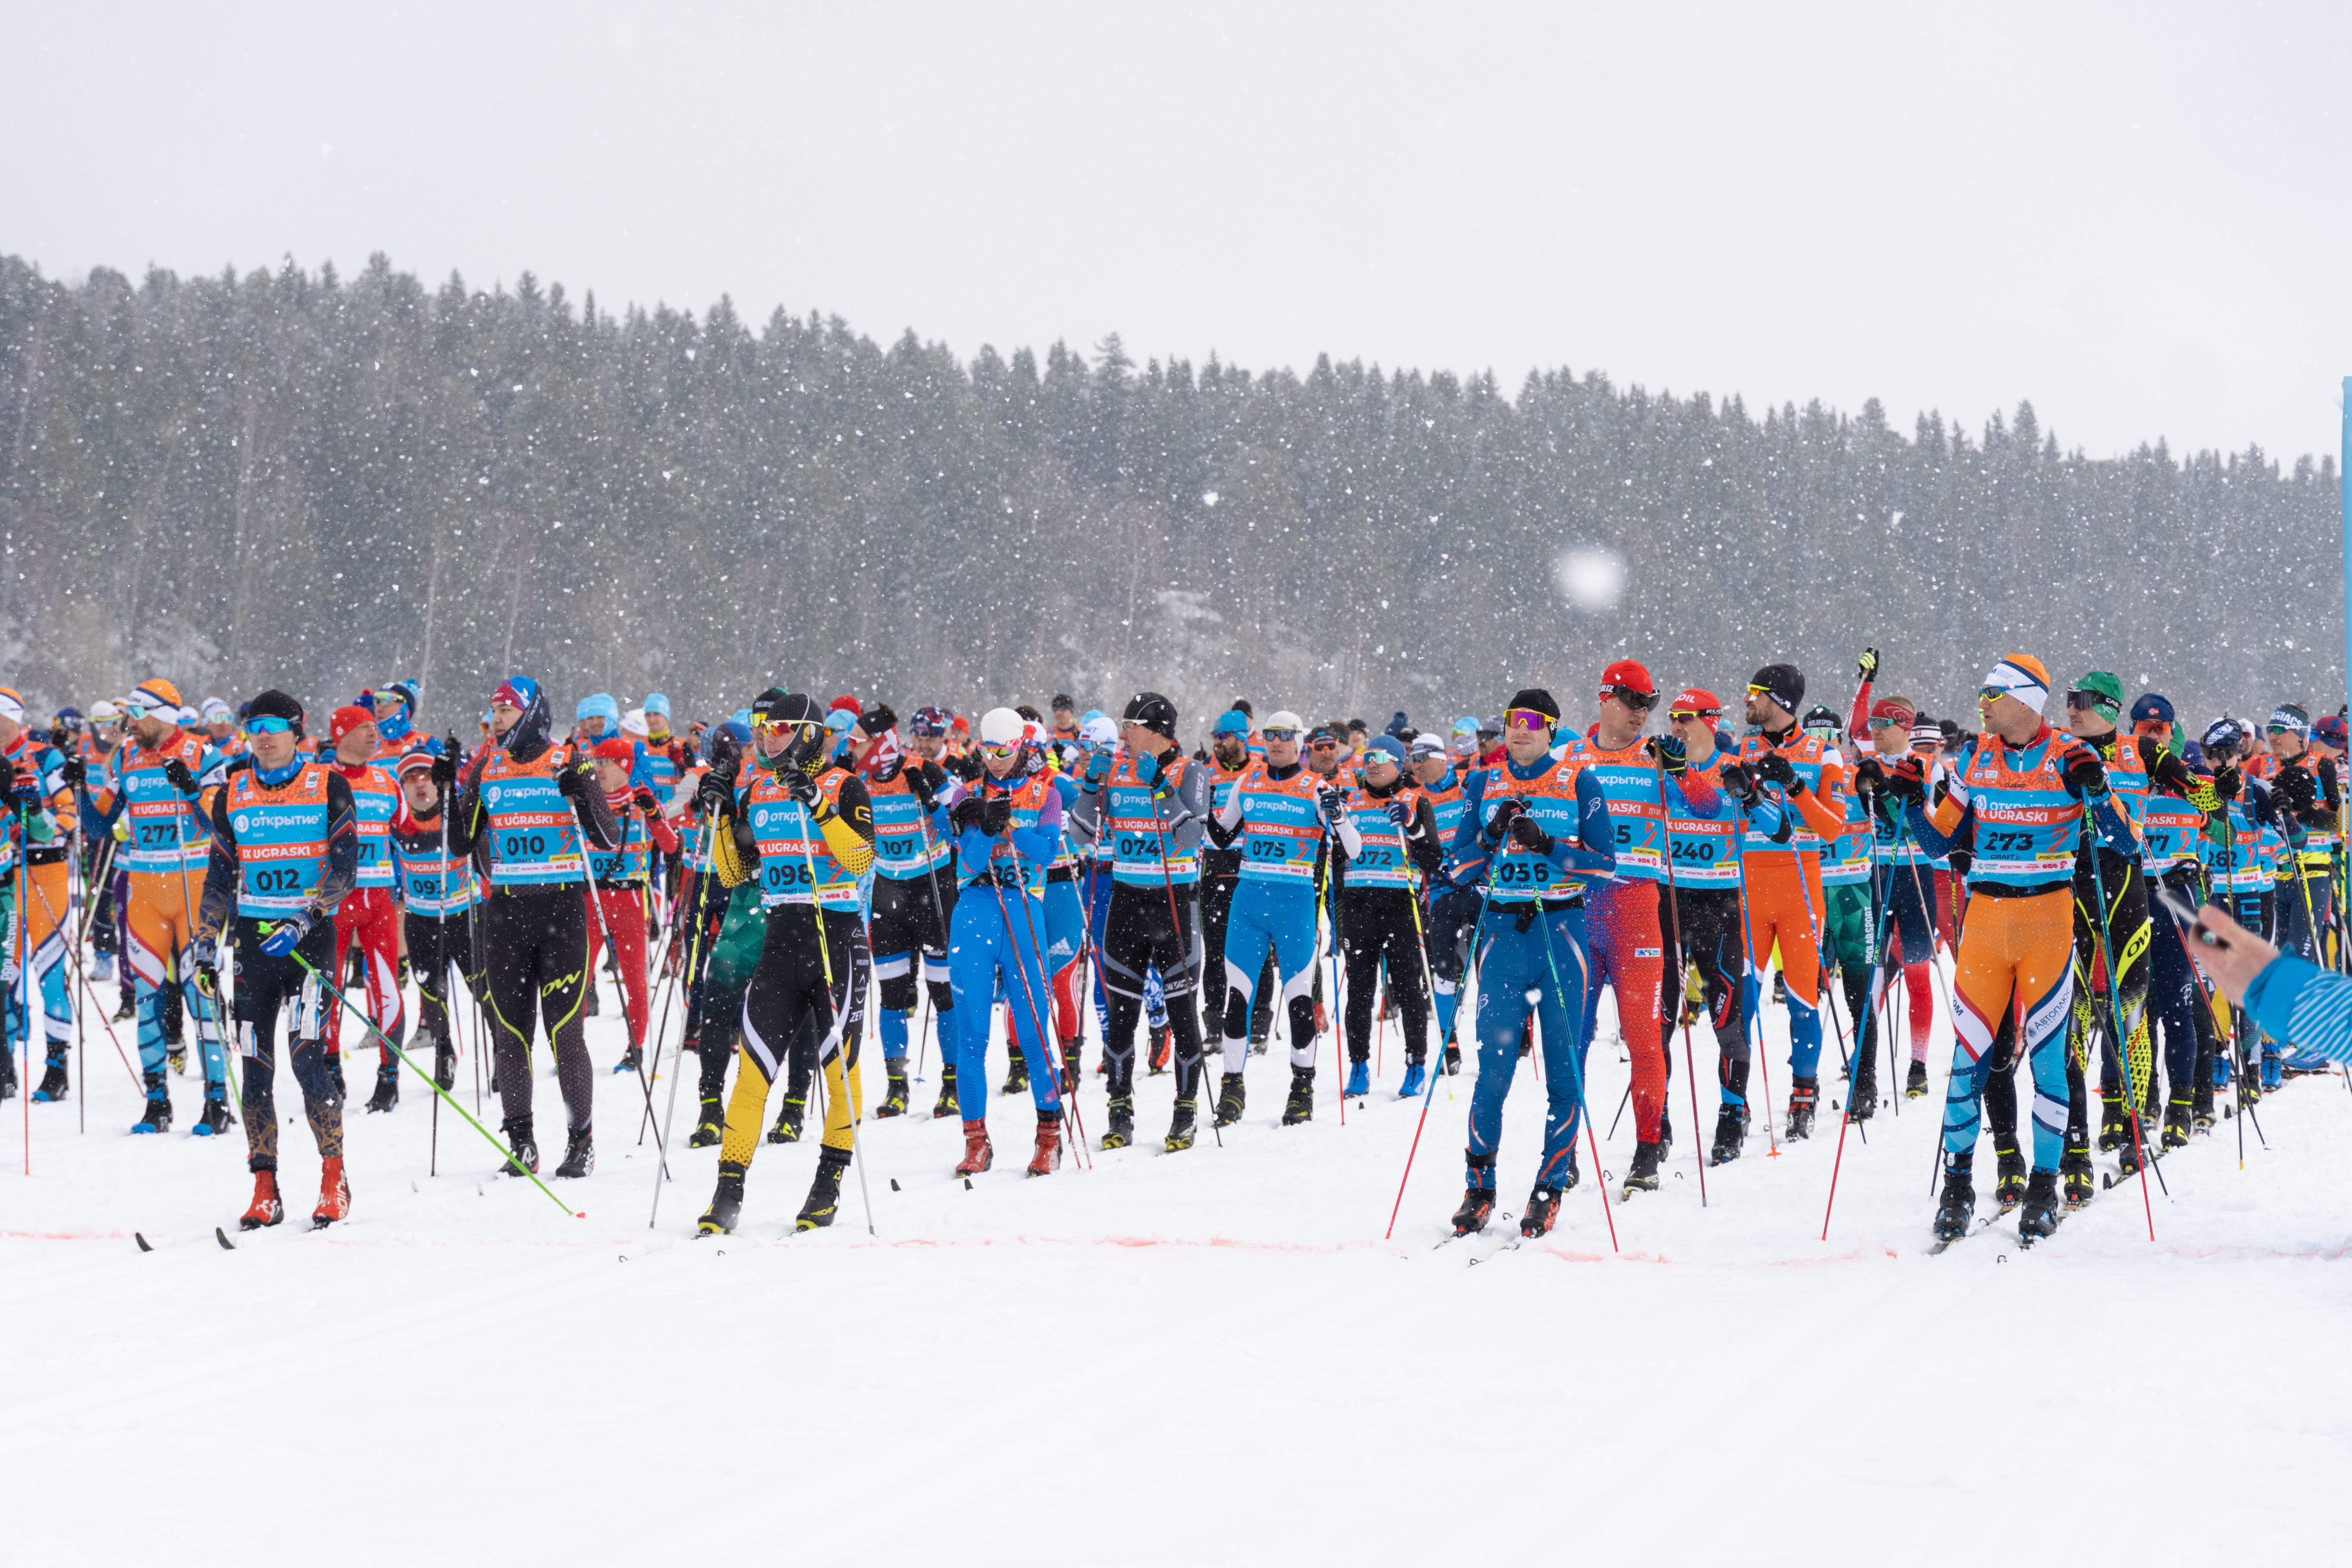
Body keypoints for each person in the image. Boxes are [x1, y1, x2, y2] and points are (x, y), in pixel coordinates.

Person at [1896, 653, 2135, 1242]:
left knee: (2050, 1064)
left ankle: (2045, 1188)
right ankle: (1956, 1189)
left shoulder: (2069, 757)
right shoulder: (1975, 757)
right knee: (1969, 1062)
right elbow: (1935, 844)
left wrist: (2099, 791)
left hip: (2048, 920)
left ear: (2026, 700)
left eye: (1991, 693)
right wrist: (1906, 806)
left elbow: (2125, 843)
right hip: (1985, 921)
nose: (1981, 703)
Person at [694, 690, 876, 1234]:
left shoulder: (845, 784)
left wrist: (819, 808)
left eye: (778, 728)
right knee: (751, 1075)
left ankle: (829, 1182)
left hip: (835, 939)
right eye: (763, 727)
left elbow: (862, 858)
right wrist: (722, 815)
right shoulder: (760, 789)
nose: (767, 736)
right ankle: (727, 1192)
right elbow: (732, 874)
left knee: (838, 1072)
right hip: (779, 943)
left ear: (809, 733)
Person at [1444, 689, 1616, 1238]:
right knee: (1493, 1072)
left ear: (1551, 730)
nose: (1519, 730)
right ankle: (1479, 1188)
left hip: (1561, 937)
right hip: (1501, 937)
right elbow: (1457, 867)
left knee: (1563, 1072)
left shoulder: (1580, 780)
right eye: (1512, 721)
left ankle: (1549, 1187)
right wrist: (1492, 834)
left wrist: (1548, 845)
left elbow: (1605, 865)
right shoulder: (1482, 781)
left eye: (1532, 722)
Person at [441, 676, 619, 1179]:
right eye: (494, 709)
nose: (497, 718)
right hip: (507, 913)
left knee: (565, 1032)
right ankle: (522, 1141)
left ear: (533, 712)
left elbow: (608, 838)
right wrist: (451, 785)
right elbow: (460, 844)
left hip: (561, 911)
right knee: (511, 1034)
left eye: (507, 710)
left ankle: (580, 1140)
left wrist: (582, 794)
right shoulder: (487, 767)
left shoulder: (569, 760)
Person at [194, 691, 359, 1228]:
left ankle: (333, 1178)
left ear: (297, 731)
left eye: (273, 726)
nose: (263, 736)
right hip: (253, 947)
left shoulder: (328, 784)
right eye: (253, 727)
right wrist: (203, 943)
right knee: (255, 1068)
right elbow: (220, 874)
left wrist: (306, 918)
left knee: (308, 1061)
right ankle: (265, 1187)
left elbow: (344, 868)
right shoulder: (233, 792)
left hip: (307, 943)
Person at [1565, 661, 1730, 1193]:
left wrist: (1682, 772)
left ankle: (1647, 1151)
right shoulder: (1572, 756)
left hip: (1638, 908)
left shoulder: (1658, 757)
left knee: (1644, 1039)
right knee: (1573, 1039)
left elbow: (1713, 811)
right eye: (1633, 702)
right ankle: (1564, 1153)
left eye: (1650, 704)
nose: (1643, 714)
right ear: (1605, 698)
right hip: (1581, 906)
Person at [1063, 692, 1212, 1151]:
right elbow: (1078, 834)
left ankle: (1185, 1110)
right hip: (1127, 903)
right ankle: (1120, 1108)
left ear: (1156, 731)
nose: (1123, 735)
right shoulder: (1116, 769)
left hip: (1174, 904)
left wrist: (1163, 792)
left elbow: (1191, 837)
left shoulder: (1190, 771)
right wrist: (1091, 788)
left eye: (1130, 726)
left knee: (1183, 1014)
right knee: (1121, 1017)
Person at [84, 678, 231, 1134]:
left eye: (136, 714)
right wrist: (75, 789)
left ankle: (217, 1101)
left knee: (200, 995)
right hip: (146, 890)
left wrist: (190, 790)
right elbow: (98, 825)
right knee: (147, 998)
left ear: (159, 716)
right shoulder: (127, 756)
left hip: (194, 888)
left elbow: (219, 823)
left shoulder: (203, 754)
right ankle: (157, 1102)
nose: (128, 722)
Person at [1201, 708, 1350, 1127]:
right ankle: (1233, 1087)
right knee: (1237, 999)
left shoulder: (1316, 786)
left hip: (1295, 904)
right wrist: (1190, 806)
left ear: (1299, 741)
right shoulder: (1246, 782)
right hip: (1248, 902)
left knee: (1299, 1000)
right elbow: (1218, 837)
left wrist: (1336, 815)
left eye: (1285, 735)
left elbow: (1353, 849)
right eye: (1270, 735)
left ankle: (1302, 1086)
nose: (1277, 742)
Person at [940, 707, 1068, 1176]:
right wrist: (980, 824)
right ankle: (976, 1140)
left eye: (1005, 751)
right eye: (988, 750)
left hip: (1023, 909)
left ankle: (1049, 1135)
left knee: (1033, 1034)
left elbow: (1047, 850)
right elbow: (971, 861)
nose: (995, 760)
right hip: (974, 911)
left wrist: (1007, 824)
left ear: (1021, 746)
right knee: (971, 1037)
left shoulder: (1046, 794)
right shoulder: (965, 793)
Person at [1732, 663, 1850, 1140]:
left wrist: (1797, 788)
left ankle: (1804, 1089)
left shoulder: (1825, 755)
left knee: (1802, 999)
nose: (1746, 701)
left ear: (1779, 700)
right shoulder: (1744, 748)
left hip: (1802, 887)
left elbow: (1833, 829)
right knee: (1742, 1004)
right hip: (1749, 887)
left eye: (1754, 693)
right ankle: (1733, 1098)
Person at [858, 703, 957, 1118]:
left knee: (943, 992)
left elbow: (959, 823)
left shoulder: (923, 769)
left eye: (862, 740)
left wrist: (931, 798)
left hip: (932, 889)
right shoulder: (859, 779)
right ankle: (896, 1085)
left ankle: (952, 1083)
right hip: (887, 893)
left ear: (883, 742)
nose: (856, 747)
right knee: (892, 993)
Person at [1335, 734, 1444, 1098]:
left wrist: (1413, 826)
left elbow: (1433, 859)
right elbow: (1337, 862)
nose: (1373, 763)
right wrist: (1338, 914)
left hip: (1401, 907)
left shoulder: (1415, 800)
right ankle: (1359, 1066)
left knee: (1410, 991)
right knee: (1360, 992)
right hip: (1359, 907)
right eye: (1368, 758)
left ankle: (1416, 1065)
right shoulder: (1349, 802)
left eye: (1382, 757)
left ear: (1400, 763)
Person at [325, 704, 407, 1113]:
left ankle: (389, 1078)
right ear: (342, 734)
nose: (375, 735)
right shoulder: (320, 780)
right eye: (365, 729)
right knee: (328, 989)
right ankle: (330, 1069)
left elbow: (411, 826)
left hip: (379, 900)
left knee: (387, 988)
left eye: (376, 728)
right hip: (334, 900)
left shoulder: (387, 780)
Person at [0, 689, 78, 1104]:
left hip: (44, 872)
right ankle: (5, 1063)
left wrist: (37, 816)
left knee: (49, 975)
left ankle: (56, 1069)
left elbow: (69, 814)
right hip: (4, 876)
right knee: (4, 976)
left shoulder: (44, 756)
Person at [585, 735, 679, 1074]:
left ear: (625, 766)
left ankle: (635, 1047)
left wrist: (653, 813)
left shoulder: (640, 799)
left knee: (636, 978)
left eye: (605, 763)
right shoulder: (586, 799)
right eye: (596, 762)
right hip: (591, 898)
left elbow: (670, 846)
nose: (599, 769)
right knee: (578, 979)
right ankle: (571, 1050)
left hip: (629, 899)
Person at [387, 750, 473, 1090]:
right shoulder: (398, 822)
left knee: (484, 992)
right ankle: (444, 1053)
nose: (420, 784)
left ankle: (502, 1052)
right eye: (410, 778)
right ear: (403, 787)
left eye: (426, 775)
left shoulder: (458, 813)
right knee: (431, 995)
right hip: (421, 920)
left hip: (464, 916)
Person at [1410, 733, 1475, 1074]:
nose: (1417, 764)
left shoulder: (1470, 786)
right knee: (1444, 975)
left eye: (1424, 757)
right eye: (1413, 758)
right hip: (1440, 893)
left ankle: (1501, 1040)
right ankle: (1450, 1047)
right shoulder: (1415, 799)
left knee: (1490, 969)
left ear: (1442, 758)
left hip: (1478, 889)